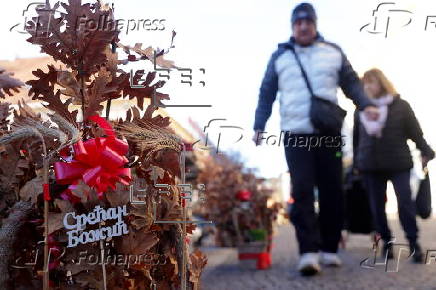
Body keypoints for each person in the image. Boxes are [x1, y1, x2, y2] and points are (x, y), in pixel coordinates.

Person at [252, 2, 379, 276]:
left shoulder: (333, 52)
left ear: (315, 24)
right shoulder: (280, 57)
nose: (303, 26)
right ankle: (308, 252)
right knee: (302, 191)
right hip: (295, 134)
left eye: (308, 21)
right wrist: (259, 124)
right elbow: (266, 92)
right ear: (292, 27)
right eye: (298, 22)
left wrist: (365, 103)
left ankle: (329, 249)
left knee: (333, 190)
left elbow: (351, 83)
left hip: (328, 133)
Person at [353, 68, 434, 263]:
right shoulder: (360, 110)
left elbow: (415, 132)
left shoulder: (401, 106)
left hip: (398, 162)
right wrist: (357, 163)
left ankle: (414, 244)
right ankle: (387, 245)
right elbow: (357, 139)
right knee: (376, 207)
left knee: (405, 204)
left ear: (382, 82)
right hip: (370, 165)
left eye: (372, 82)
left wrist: (426, 151)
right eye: (365, 83)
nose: (368, 86)